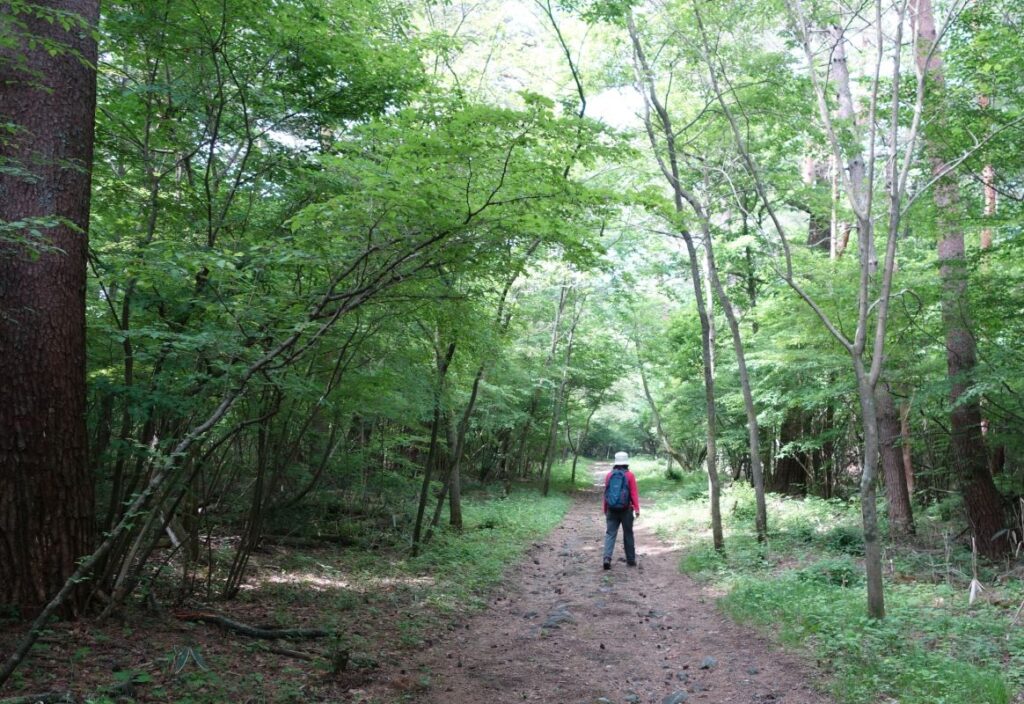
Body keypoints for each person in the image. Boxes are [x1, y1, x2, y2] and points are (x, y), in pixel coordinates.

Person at [602, 451, 640, 569]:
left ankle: (607, 558)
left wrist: (605, 508)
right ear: (626, 462)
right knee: (628, 534)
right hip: (626, 509)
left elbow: (606, 493)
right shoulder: (630, 475)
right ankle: (631, 560)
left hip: (611, 509)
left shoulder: (609, 475)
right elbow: (633, 493)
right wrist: (637, 508)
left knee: (610, 534)